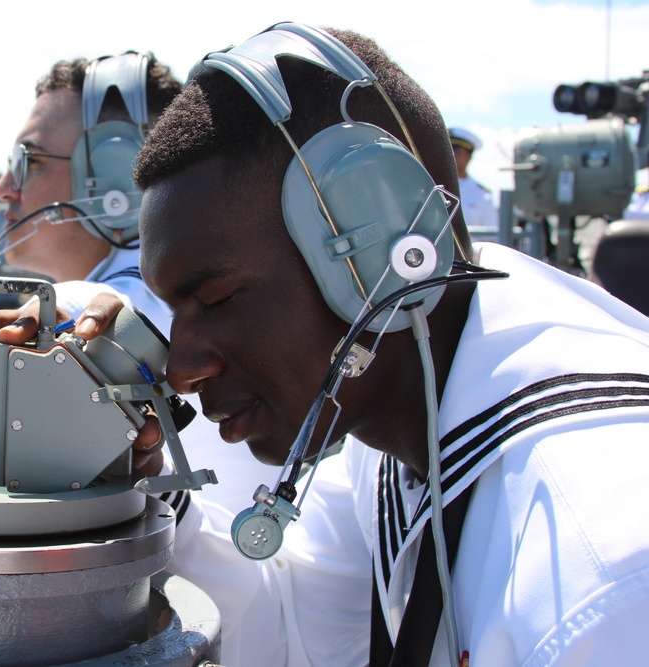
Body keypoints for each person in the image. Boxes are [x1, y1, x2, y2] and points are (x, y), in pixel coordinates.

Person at [61, 22, 649, 666]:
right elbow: (297, 634)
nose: (185, 367)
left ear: (386, 254)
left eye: (219, 299)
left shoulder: (607, 573)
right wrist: (150, 483)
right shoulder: (402, 433)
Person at [0, 53, 272, 522]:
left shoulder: (144, 310)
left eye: (28, 161)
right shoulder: (199, 304)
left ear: (115, 174)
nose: (4, 186)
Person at [449, 126, 499, 233]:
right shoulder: (430, 185)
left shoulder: (482, 195)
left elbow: (492, 236)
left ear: (469, 157)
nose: (451, 156)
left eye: (457, 152)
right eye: (448, 151)